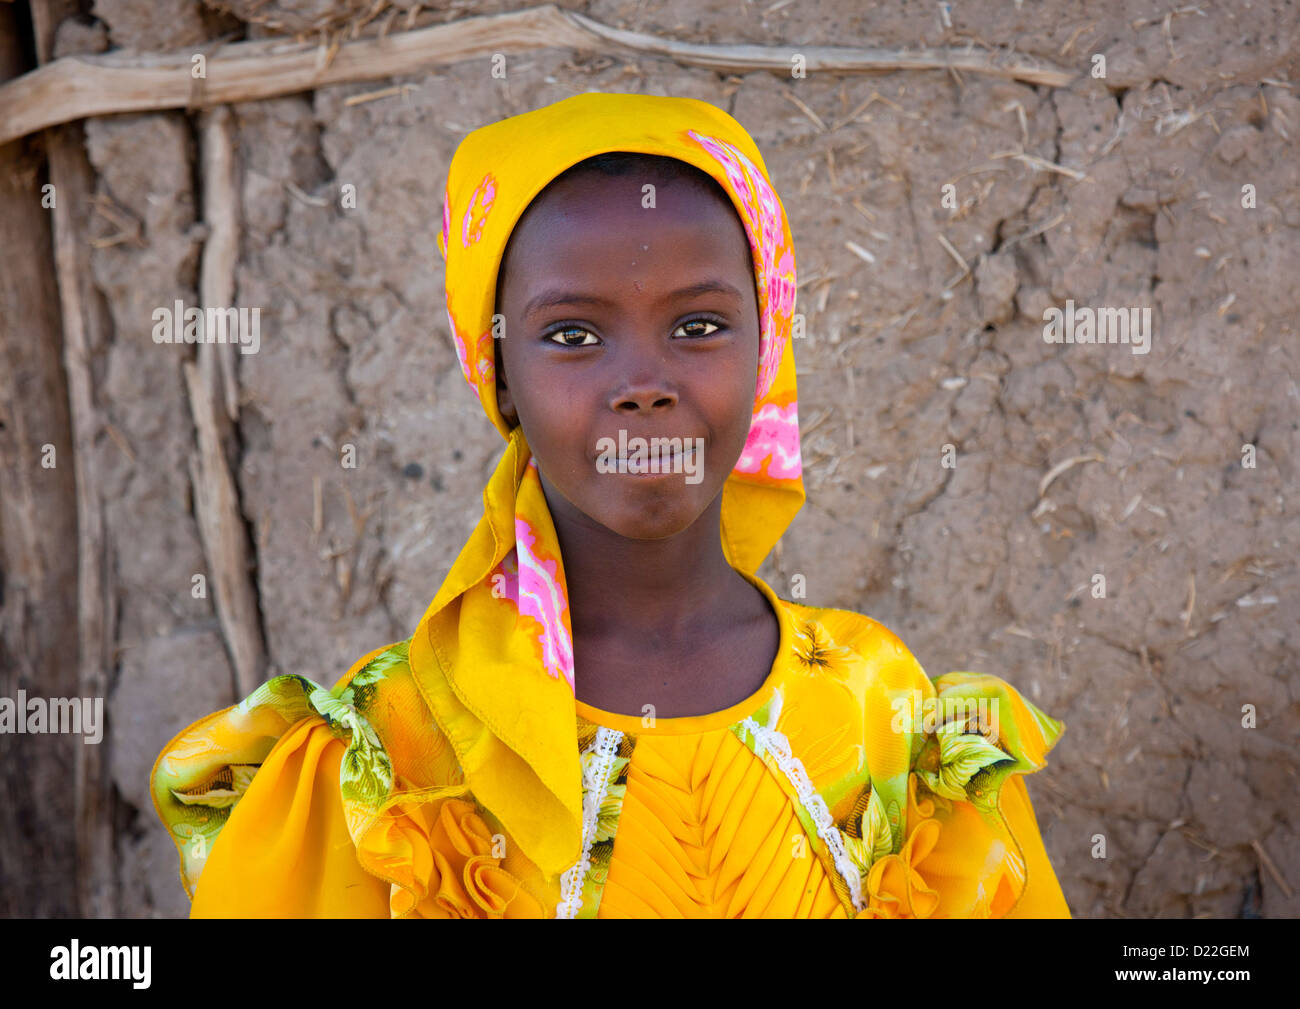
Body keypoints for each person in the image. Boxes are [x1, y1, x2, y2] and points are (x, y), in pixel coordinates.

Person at [150, 91, 1071, 918]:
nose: (644, 382)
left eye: (699, 325)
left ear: (768, 349)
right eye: (574, 333)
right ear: (499, 372)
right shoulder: (391, 761)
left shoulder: (886, 708)